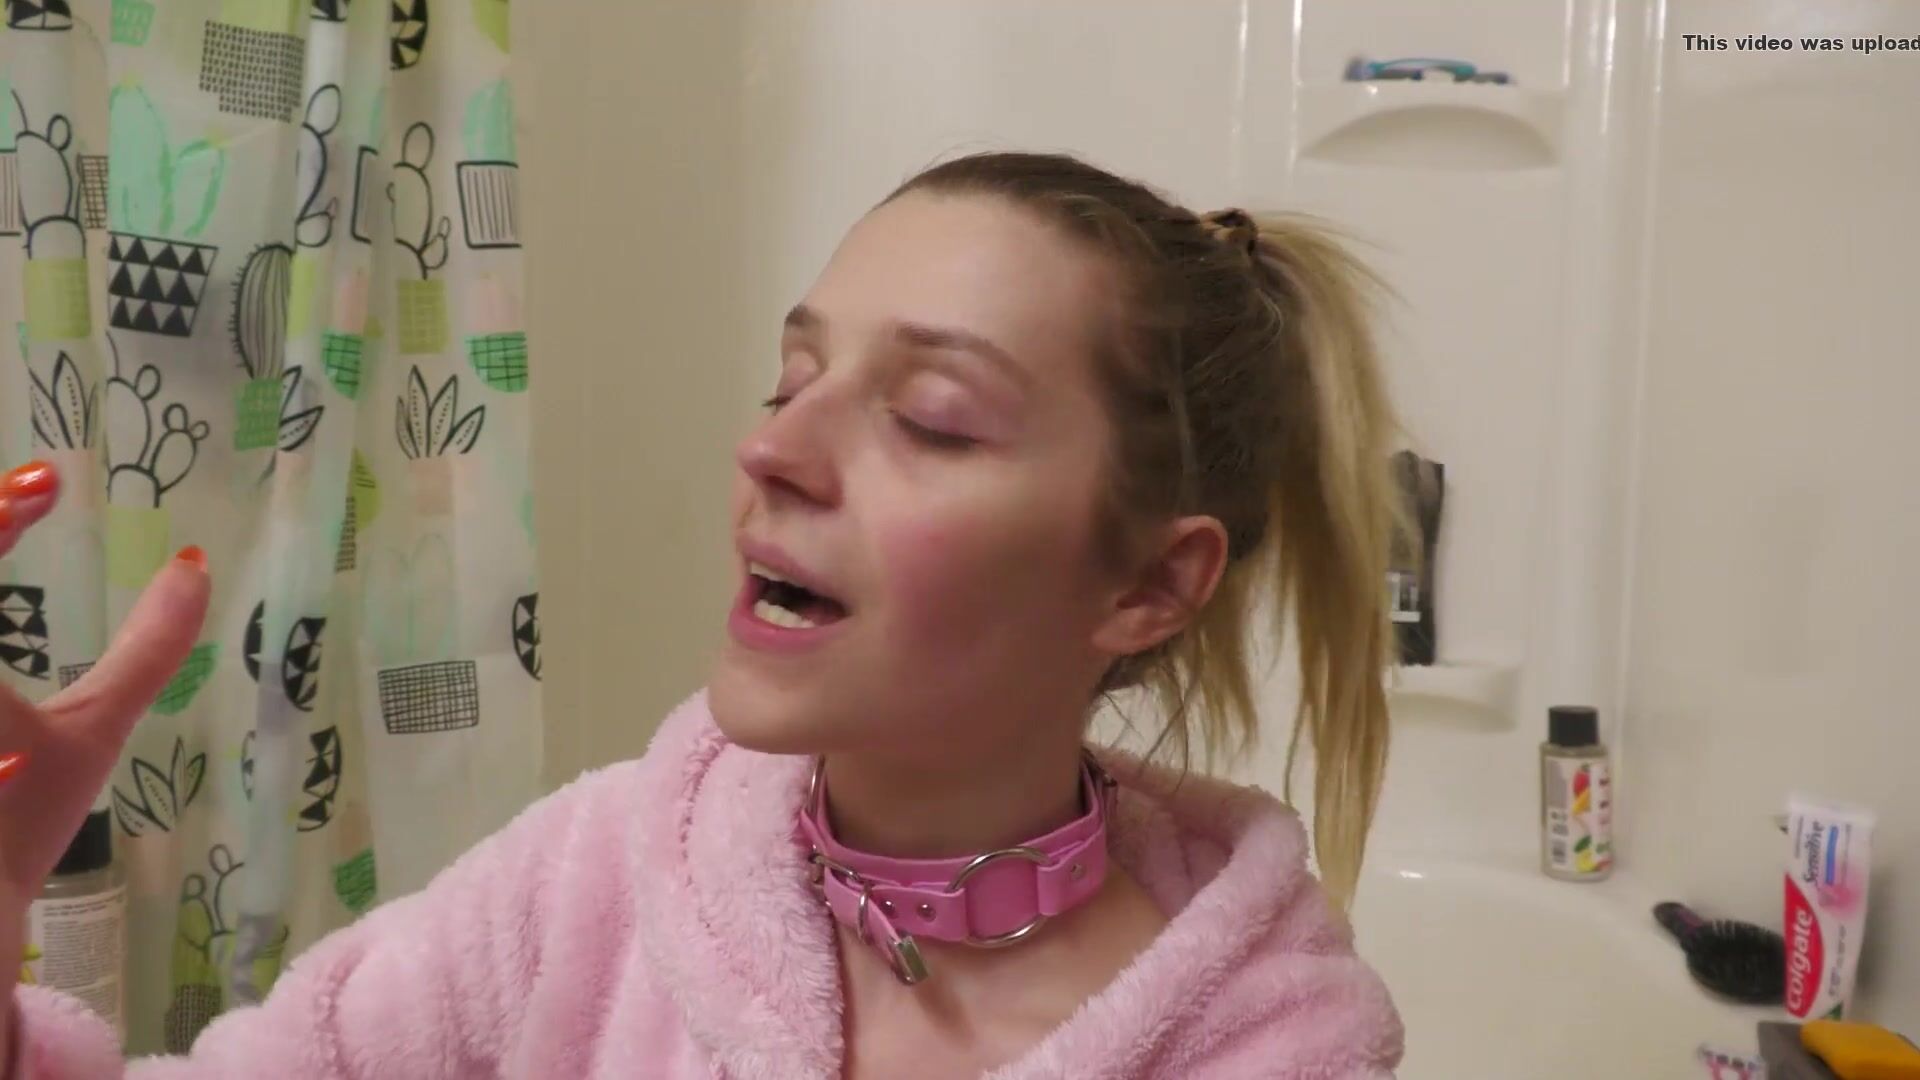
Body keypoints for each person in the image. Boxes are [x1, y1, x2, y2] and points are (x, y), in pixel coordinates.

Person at [2, 152, 1405, 1078]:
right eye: (790, 382)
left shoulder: (1265, 1044)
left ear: (1149, 584)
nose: (772, 449)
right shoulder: (597, 878)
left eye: (931, 418)